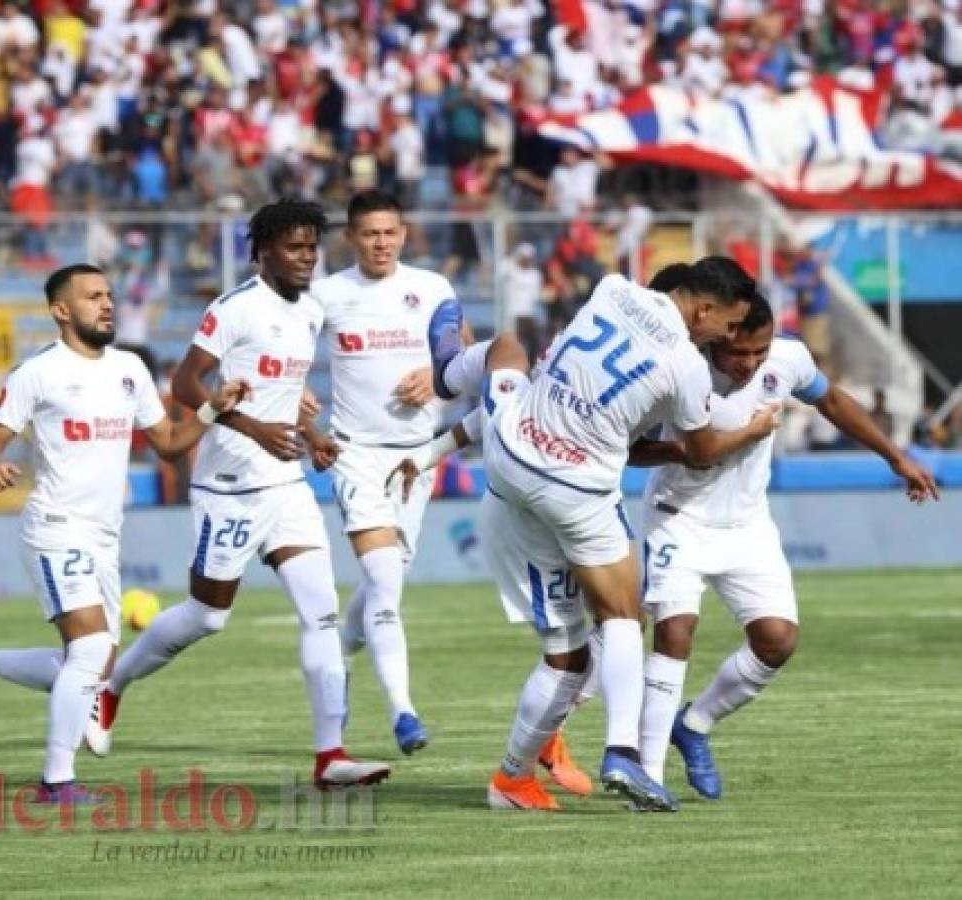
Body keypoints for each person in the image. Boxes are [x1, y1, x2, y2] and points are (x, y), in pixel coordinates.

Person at [429, 257, 779, 812]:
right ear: (703, 307)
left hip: (511, 452)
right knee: (622, 615)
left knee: (566, 652)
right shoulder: (686, 367)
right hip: (572, 488)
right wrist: (752, 429)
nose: (729, 336)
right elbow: (704, 451)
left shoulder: (612, 290)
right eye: (728, 325)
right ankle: (622, 753)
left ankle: (515, 781)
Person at [85, 200, 391, 790]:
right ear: (263, 252)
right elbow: (185, 383)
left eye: (312, 247)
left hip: (286, 485)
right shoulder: (235, 309)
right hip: (228, 488)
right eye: (294, 248)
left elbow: (285, 389)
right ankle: (112, 684)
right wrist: (254, 429)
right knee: (208, 616)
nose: (307, 258)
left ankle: (331, 758)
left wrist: (312, 435)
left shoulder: (309, 311)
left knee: (322, 611)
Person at [0, 264, 251, 804]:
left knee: (92, 667)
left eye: (109, 295)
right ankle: (56, 782)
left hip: (103, 535)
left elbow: (169, 442)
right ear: (60, 310)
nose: (106, 304)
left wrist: (215, 407)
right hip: (55, 526)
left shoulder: (130, 371)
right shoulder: (39, 373)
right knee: (92, 648)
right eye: (93, 296)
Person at [637, 292, 938, 800]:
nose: (751, 364)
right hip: (677, 520)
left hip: (749, 523)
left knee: (777, 641)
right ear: (718, 339)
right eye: (740, 354)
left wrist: (895, 456)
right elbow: (630, 449)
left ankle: (695, 724)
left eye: (761, 352)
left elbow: (834, 401)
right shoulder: (675, 368)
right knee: (675, 631)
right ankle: (647, 772)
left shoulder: (789, 359)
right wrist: (689, 451)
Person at [309, 189, 457, 755]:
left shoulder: (432, 290)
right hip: (357, 457)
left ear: (404, 233)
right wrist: (302, 409)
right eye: (369, 233)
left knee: (381, 582)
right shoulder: (328, 296)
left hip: (417, 460)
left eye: (389, 233)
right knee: (387, 589)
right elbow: (291, 354)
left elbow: (457, 354)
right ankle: (404, 712)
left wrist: (433, 373)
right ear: (351, 237)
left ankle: (342, 653)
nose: (380, 243)